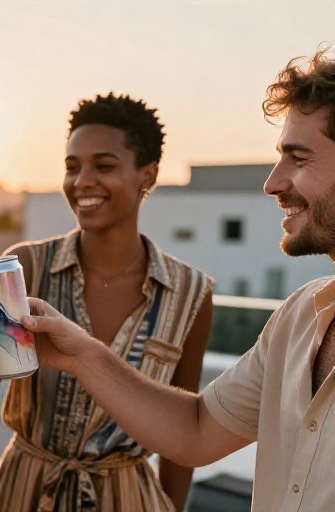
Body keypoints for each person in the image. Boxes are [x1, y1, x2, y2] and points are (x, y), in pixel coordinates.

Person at [21, 47, 335, 512]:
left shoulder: (193, 288)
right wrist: (82, 355)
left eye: (298, 158)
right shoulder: (298, 318)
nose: (272, 182)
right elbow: (195, 431)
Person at [0, 93, 214, 511]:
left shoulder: (191, 293)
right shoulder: (25, 267)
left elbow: (185, 428)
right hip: (27, 491)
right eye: (72, 168)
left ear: (147, 175)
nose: (81, 181)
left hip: (129, 498)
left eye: (104, 166)